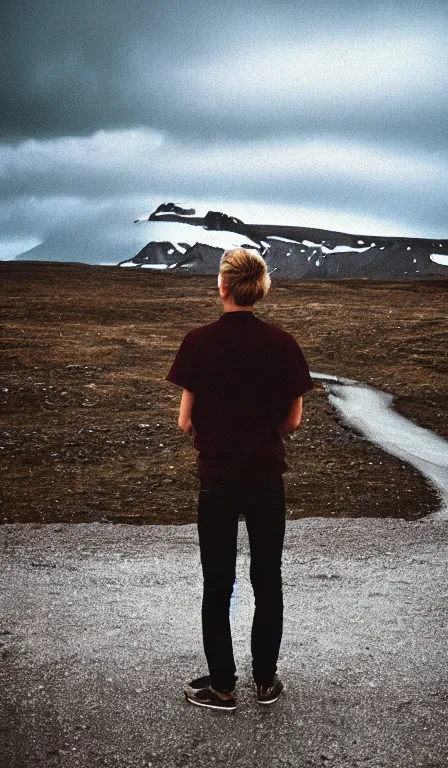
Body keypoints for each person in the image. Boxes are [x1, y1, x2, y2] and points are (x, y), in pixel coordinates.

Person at [166, 247, 313, 711]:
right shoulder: (284, 344)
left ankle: (223, 686)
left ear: (223, 286)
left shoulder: (198, 342)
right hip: (267, 478)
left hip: (218, 481)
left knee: (218, 583)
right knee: (268, 579)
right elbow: (293, 421)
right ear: (261, 288)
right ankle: (266, 681)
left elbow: (185, 421)